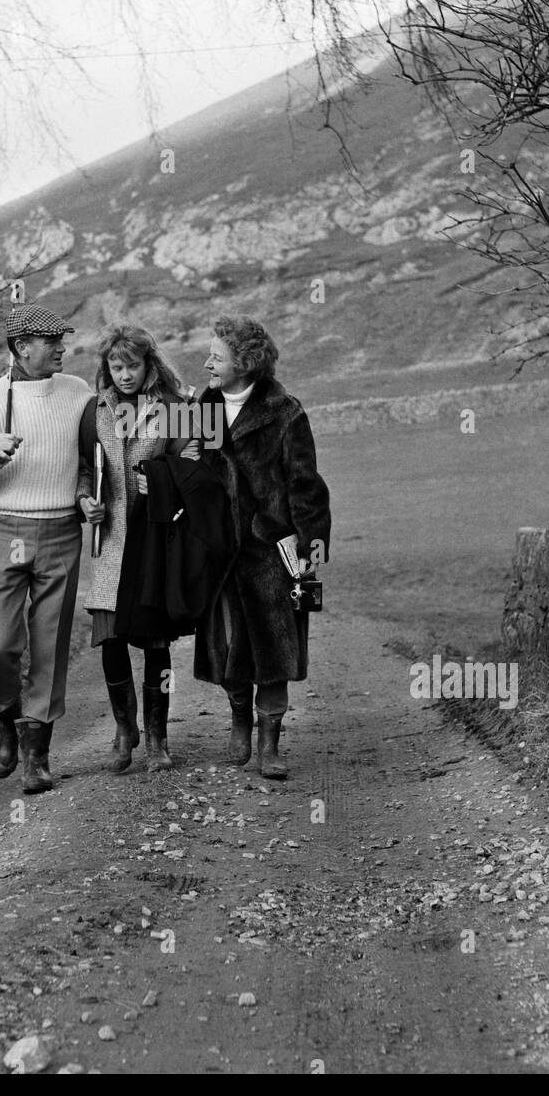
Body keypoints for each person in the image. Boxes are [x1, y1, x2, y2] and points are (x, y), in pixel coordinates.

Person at [0, 303, 91, 795]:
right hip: (7, 531)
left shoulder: (78, 394)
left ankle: (36, 755)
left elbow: (95, 457)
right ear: (20, 347)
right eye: (50, 342)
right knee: (0, 643)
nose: (60, 348)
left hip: (62, 532)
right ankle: (6, 718)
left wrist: (90, 496)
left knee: (49, 644)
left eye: (61, 340)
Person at [193, 315, 331, 779]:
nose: (206, 362)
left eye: (216, 356)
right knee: (229, 642)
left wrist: (310, 546)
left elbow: (305, 483)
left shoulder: (285, 412)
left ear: (245, 364)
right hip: (220, 550)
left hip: (272, 550)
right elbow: (194, 473)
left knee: (274, 645)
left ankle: (269, 741)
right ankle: (238, 722)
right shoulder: (203, 408)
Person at [77, 325, 199, 773]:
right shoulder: (93, 410)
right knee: (111, 637)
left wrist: (164, 480)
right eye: (116, 365)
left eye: (132, 365)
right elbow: (85, 469)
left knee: (154, 641)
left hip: (155, 541)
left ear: (149, 364)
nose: (124, 374)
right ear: (105, 367)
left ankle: (158, 741)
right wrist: (84, 499)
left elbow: (194, 462)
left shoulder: (174, 407)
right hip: (111, 542)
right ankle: (125, 730)